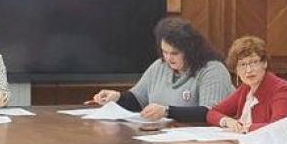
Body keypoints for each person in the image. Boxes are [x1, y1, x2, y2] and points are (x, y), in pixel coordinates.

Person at [143, 36, 287, 132]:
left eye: (253, 62)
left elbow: (278, 129)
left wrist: (243, 127)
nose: (248, 70)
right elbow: (212, 112)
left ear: (264, 63)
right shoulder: (246, 89)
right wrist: (226, 121)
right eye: (242, 65)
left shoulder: (281, 90)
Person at [92, 17, 232, 121]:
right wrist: (117, 97)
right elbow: (137, 100)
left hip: (200, 143)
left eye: (175, 53)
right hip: (163, 138)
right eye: (164, 52)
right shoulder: (159, 66)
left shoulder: (213, 70)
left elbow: (211, 113)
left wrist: (167, 111)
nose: (168, 58)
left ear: (191, 51)